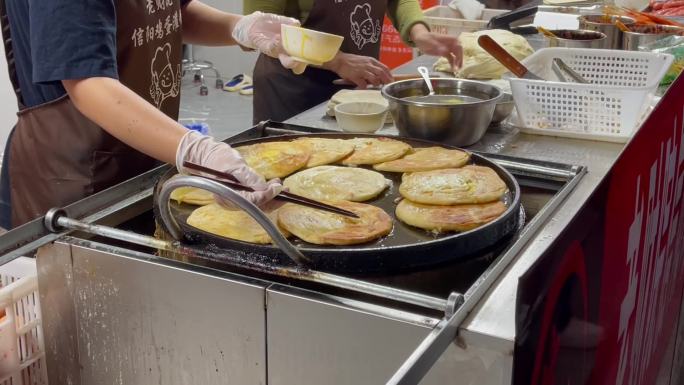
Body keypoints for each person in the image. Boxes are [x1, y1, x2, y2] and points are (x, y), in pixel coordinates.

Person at [0, 0, 302, 229]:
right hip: (72, 176)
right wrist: (195, 150)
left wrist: (240, 27)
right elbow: (86, 82)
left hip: (142, 155)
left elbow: (169, 13)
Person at [245, 0, 463, 124]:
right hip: (293, 91)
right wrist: (335, 60)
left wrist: (419, 33)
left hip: (356, 86)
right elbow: (260, 29)